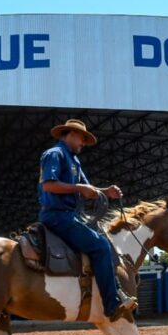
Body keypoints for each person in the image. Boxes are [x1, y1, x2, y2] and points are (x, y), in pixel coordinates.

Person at [38, 119, 137, 321]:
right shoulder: (54, 154)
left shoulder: (74, 161)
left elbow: (88, 189)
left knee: (102, 240)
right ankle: (111, 304)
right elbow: (49, 185)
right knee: (100, 246)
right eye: (82, 139)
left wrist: (105, 192)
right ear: (71, 134)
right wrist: (78, 189)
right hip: (57, 215)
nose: (83, 143)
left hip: (70, 215)